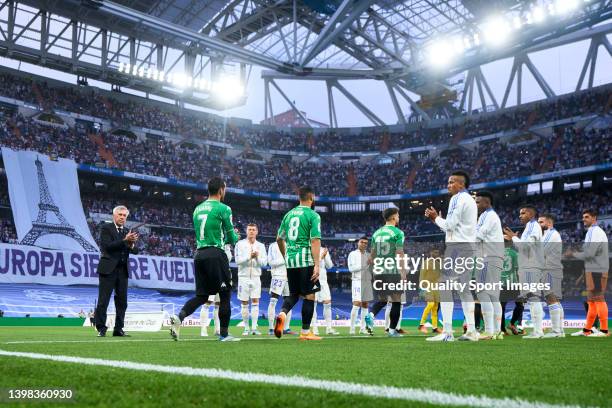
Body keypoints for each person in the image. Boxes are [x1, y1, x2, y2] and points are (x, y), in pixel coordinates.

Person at [170, 177, 240, 342]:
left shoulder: (197, 209)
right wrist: (236, 236)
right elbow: (231, 238)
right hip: (216, 253)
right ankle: (223, 335)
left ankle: (179, 317)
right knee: (224, 294)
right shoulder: (224, 208)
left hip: (199, 254)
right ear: (221, 190)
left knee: (202, 296)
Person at [425, 170, 479, 342]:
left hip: (457, 248)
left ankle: (447, 332)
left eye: (452, 182)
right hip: (468, 247)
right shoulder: (469, 200)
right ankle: (471, 330)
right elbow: (453, 227)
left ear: (461, 184)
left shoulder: (457, 198)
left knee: (444, 287)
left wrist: (435, 219)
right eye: (448, 182)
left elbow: (449, 225)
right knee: (464, 291)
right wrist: (440, 222)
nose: (449, 185)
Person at [273, 186, 322, 341]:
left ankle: (282, 313)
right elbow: (315, 240)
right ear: (311, 197)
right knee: (310, 296)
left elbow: (279, 239)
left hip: (291, 261)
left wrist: (286, 255)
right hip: (305, 260)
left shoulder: (288, 215)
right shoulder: (313, 215)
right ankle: (305, 332)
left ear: (299, 198)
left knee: (293, 294)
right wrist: (317, 264)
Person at [94, 205, 139, 337]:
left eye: (124, 215)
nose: (122, 217)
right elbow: (107, 247)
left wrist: (131, 244)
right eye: (120, 214)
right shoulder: (106, 228)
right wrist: (125, 240)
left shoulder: (127, 231)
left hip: (122, 270)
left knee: (122, 302)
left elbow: (135, 251)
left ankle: (118, 329)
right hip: (108, 270)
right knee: (103, 300)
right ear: (114, 215)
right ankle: (101, 328)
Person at [503, 204, 545, 339]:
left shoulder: (533, 226)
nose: (520, 216)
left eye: (523, 213)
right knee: (532, 298)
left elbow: (526, 247)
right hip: (529, 266)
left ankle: (538, 332)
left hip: (531, 267)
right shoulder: (529, 227)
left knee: (533, 298)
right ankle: (537, 331)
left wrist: (514, 238)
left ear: (531, 215)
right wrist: (515, 239)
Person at [567, 209, 609, 337]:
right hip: (593, 269)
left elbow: (590, 254)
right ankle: (588, 329)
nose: (583, 219)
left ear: (594, 218)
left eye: (586, 217)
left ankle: (604, 330)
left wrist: (573, 254)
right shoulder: (593, 231)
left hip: (597, 269)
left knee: (598, 298)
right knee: (591, 300)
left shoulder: (594, 231)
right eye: (583, 217)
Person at [365, 207, 406, 337]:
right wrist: (403, 272)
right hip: (392, 270)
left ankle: (371, 314)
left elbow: (371, 257)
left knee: (383, 300)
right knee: (396, 301)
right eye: (398, 216)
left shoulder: (376, 233)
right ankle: (392, 331)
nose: (398, 218)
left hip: (378, 271)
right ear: (393, 217)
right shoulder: (398, 233)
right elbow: (399, 253)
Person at [474, 191, 505, 340]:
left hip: (489, 258)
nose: (476, 204)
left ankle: (489, 331)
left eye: (478, 202)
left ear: (487, 203)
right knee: (493, 296)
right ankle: (497, 331)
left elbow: (479, 235)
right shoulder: (489, 216)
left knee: (482, 293)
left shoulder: (489, 216)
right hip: (494, 257)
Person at [235, 224, 267, 336]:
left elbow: (264, 263)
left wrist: (257, 257)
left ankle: (254, 328)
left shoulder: (261, 246)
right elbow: (238, 261)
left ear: (257, 232)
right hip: (243, 277)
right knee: (244, 303)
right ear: (246, 231)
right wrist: (250, 256)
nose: (251, 231)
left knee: (255, 301)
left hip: (256, 277)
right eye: (249, 229)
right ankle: (246, 328)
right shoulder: (240, 244)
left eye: (253, 230)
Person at [538, 213, 565, 338]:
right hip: (552, 269)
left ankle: (556, 331)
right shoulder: (551, 234)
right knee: (555, 301)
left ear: (549, 223)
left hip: (550, 270)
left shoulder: (550, 234)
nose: (539, 225)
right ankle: (560, 331)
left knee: (551, 299)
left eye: (541, 222)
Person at [200, 243, 233, 337]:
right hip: (211, 274)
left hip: (222, 276)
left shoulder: (224, 244)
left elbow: (228, 259)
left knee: (218, 304)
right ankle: (203, 329)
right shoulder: (212, 242)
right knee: (207, 302)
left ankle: (217, 329)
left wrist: (227, 246)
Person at [267, 241, 294, 335]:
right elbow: (270, 262)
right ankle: (271, 328)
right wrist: (284, 260)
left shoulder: (292, 244)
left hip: (290, 276)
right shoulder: (273, 245)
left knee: (289, 302)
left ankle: (286, 328)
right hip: (278, 276)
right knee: (273, 301)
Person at [347, 236, 372, 335]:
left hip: (367, 281)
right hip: (357, 281)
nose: (364, 244)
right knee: (357, 303)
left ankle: (363, 328)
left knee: (365, 304)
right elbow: (351, 269)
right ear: (358, 243)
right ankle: (352, 329)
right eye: (362, 242)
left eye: (366, 243)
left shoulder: (368, 255)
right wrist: (364, 264)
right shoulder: (352, 254)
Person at [313, 246, 339, 335]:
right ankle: (314, 329)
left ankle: (329, 328)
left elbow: (330, 266)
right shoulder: (307, 248)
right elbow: (311, 264)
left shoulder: (323, 250)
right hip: (313, 280)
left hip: (323, 280)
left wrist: (325, 255)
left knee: (327, 303)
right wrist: (321, 257)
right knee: (313, 304)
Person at [418, 248, 442, 334]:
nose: (436, 253)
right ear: (431, 252)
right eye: (435, 252)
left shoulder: (438, 263)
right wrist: (422, 286)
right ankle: (421, 325)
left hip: (436, 287)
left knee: (435, 307)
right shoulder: (427, 262)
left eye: (437, 252)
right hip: (428, 286)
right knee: (431, 304)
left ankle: (435, 328)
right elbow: (422, 274)